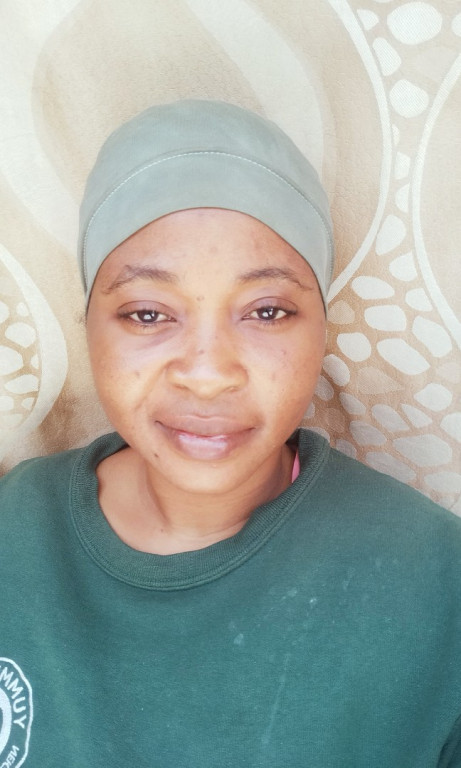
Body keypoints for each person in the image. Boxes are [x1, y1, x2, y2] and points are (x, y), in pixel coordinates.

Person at [0, 100, 460, 768]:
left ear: (321, 329)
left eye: (266, 311)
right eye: (148, 313)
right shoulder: (16, 528)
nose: (208, 374)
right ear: (88, 324)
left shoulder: (436, 585)